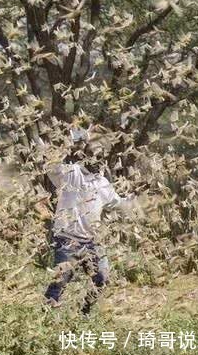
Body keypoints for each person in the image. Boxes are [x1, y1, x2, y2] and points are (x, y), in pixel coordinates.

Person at [37, 126, 135, 315]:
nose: (97, 161)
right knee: (62, 279)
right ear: (83, 157)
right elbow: (51, 166)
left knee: (101, 277)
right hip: (67, 239)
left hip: (91, 241)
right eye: (93, 157)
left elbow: (117, 202)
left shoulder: (102, 183)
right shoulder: (72, 174)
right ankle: (45, 317)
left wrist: (135, 200)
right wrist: (60, 143)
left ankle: (85, 314)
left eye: (100, 158)